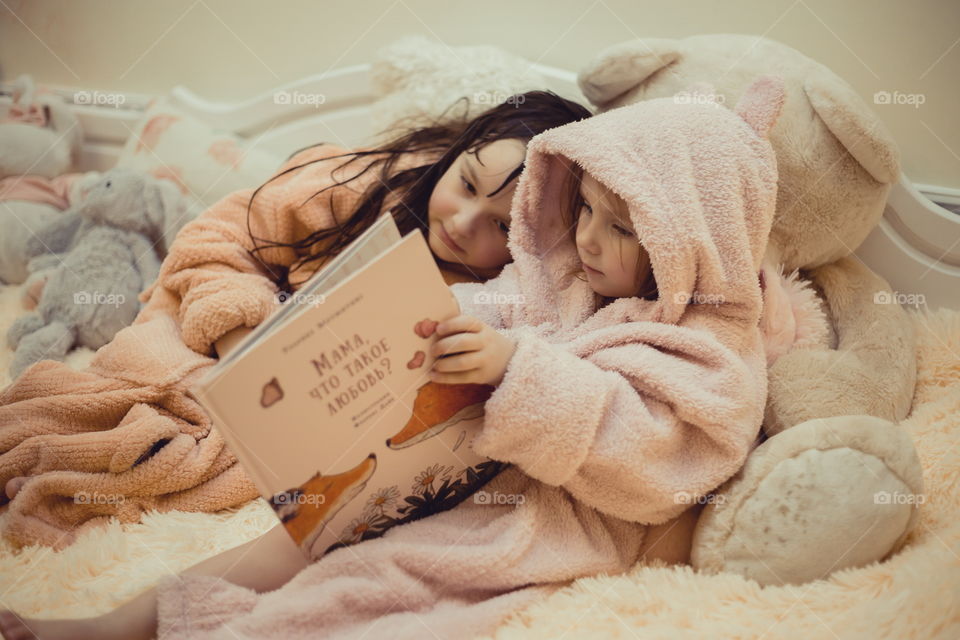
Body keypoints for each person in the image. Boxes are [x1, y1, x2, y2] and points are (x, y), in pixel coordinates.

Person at [0, 76, 784, 640]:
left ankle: (159, 624)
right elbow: (232, 232)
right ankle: (118, 621)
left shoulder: (697, 342)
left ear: (692, 248)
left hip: (488, 485)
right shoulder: (368, 184)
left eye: (619, 227)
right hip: (305, 371)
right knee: (301, 529)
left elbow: (659, 438)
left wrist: (500, 361)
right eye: (584, 213)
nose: (584, 239)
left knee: (354, 571)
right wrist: (257, 334)